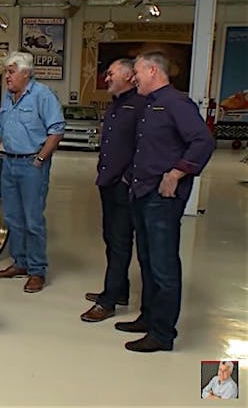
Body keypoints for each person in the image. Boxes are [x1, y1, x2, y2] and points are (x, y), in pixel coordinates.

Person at [116, 51, 215, 352]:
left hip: (162, 198)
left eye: (137, 72)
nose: (133, 78)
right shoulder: (149, 104)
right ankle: (148, 318)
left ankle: (162, 334)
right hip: (142, 192)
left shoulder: (176, 103)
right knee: (147, 261)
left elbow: (203, 141)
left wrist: (176, 173)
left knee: (163, 266)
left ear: (153, 71)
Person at [0, 51, 65, 293]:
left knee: (33, 220)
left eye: (11, 71)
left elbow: (56, 131)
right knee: (13, 217)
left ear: (26, 73)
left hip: (32, 164)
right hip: (9, 163)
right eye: (6, 72)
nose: (7, 76)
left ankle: (37, 270)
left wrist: (40, 159)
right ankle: (20, 262)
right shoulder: (8, 97)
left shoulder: (43, 95)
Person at [81, 59, 145, 322]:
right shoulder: (115, 104)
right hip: (107, 181)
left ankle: (107, 302)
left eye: (111, 73)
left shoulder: (140, 104)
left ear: (129, 76)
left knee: (119, 242)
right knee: (110, 238)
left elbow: (145, 146)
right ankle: (119, 291)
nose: (106, 78)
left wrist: (128, 178)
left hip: (124, 185)